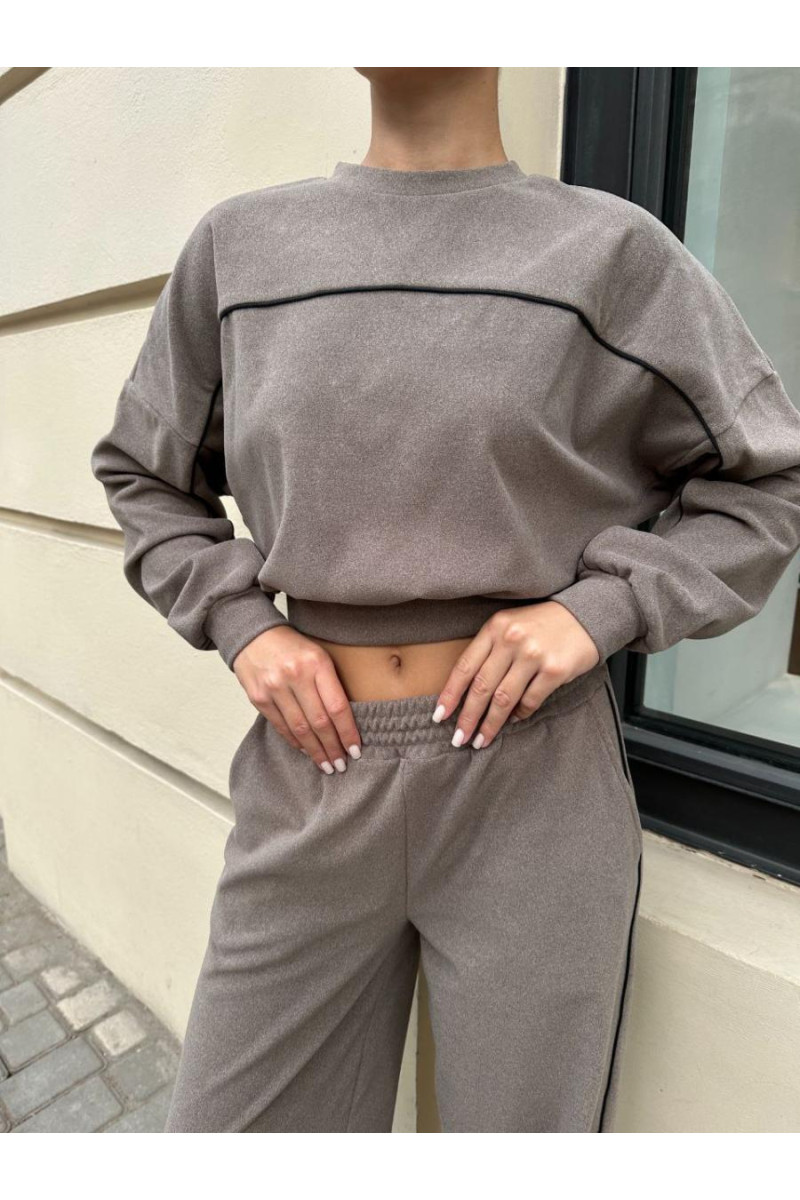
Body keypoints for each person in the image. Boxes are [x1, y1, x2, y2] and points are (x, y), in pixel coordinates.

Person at [89, 67, 800, 1133]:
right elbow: (142, 474)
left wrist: (599, 610)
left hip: (534, 786)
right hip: (312, 777)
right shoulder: (241, 249)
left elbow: (767, 481)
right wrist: (241, 624)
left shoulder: (611, 253)